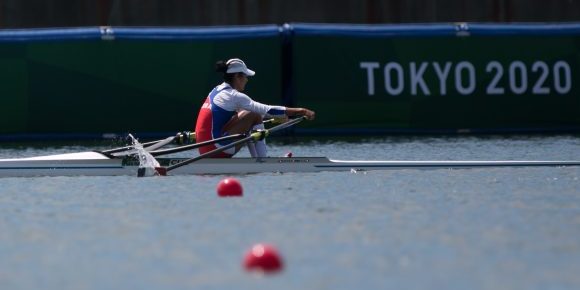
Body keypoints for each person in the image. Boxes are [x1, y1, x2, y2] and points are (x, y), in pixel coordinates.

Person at [195, 58, 315, 158]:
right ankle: (262, 160)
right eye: (245, 76)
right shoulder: (234, 96)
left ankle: (259, 159)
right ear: (237, 76)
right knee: (254, 114)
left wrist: (282, 116)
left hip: (204, 148)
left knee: (249, 113)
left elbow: (245, 116)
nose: (247, 79)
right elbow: (267, 110)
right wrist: (302, 111)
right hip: (216, 148)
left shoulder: (216, 90)